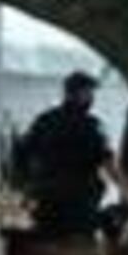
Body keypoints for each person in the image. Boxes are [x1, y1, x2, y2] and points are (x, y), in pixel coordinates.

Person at [16, 71, 120, 235]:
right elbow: (108, 163)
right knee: (77, 245)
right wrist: (125, 191)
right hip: (79, 206)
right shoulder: (92, 126)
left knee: (45, 242)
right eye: (88, 92)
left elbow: (21, 152)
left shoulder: (45, 120)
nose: (91, 98)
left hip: (47, 204)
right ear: (74, 93)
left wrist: (26, 188)